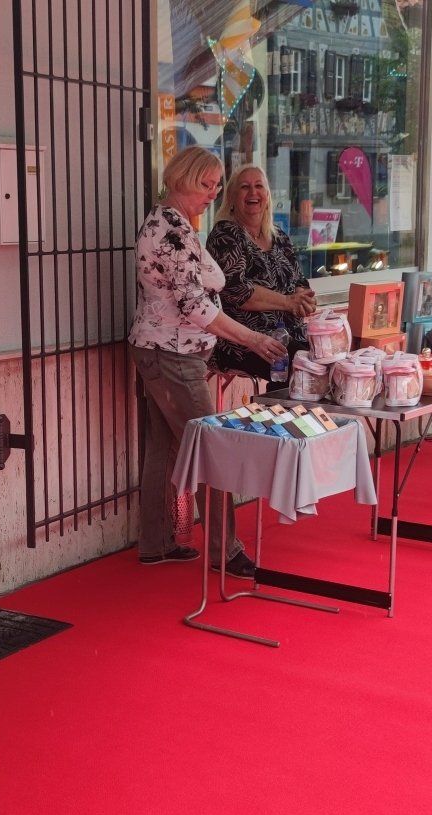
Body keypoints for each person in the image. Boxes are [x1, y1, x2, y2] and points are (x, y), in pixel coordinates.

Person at [130, 147, 287, 572]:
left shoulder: (176, 222)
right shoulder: (172, 229)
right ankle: (225, 550)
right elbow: (195, 305)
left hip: (166, 351)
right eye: (207, 184)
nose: (213, 193)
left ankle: (156, 542)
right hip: (173, 354)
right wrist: (253, 339)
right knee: (211, 449)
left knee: (165, 448)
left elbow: (201, 292)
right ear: (183, 178)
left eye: (217, 185)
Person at [206, 164, 317, 379]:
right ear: (232, 197)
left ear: (267, 195)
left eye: (259, 186)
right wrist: (288, 302)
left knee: (327, 362)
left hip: (290, 334)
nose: (253, 193)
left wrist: (304, 300)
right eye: (244, 187)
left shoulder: (280, 237)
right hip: (245, 341)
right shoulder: (225, 234)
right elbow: (237, 291)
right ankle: (278, 402)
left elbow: (300, 281)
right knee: (303, 370)